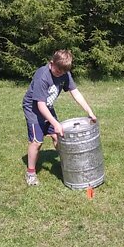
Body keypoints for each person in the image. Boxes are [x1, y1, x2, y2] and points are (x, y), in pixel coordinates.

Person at [22, 50, 97, 186]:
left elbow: (76, 93)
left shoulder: (65, 73)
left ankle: (68, 167)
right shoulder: (42, 76)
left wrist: (89, 110)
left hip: (47, 107)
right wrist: (55, 123)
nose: (60, 74)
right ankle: (31, 173)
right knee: (37, 142)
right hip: (33, 109)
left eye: (63, 72)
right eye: (58, 71)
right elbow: (40, 105)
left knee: (58, 136)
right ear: (52, 63)